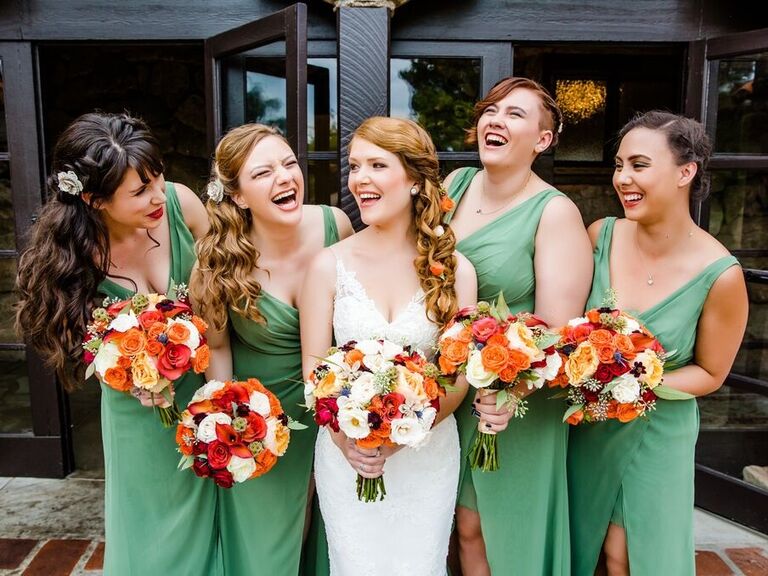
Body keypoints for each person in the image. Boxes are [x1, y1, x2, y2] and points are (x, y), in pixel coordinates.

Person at [15, 112, 221, 575]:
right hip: (137, 409)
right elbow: (81, 342)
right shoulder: (74, 255)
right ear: (93, 199)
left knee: (219, 516)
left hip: (206, 387)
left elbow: (223, 287)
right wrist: (129, 374)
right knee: (152, 530)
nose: (157, 196)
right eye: (139, 191)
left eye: (157, 176)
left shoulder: (182, 205)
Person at [568, 111, 748, 576]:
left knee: (627, 551)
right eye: (619, 165)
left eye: (639, 165)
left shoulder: (721, 274)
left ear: (686, 172)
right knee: (586, 540)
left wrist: (634, 379)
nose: (623, 178)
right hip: (588, 426)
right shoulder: (600, 236)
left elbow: (711, 373)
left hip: (657, 429)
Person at [299, 116, 477, 575]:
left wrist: (403, 435)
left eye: (377, 165)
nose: (360, 179)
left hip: (427, 456)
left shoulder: (457, 270)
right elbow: (313, 378)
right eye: (355, 166)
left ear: (416, 180)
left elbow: (457, 380)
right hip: (347, 455)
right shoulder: (327, 266)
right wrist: (347, 441)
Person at [442, 76, 593, 575]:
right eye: (491, 110)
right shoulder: (454, 186)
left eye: (515, 114)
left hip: (510, 396)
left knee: (491, 527)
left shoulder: (555, 213)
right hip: (448, 385)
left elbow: (554, 334)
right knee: (457, 526)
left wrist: (509, 390)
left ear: (543, 140)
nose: (496, 121)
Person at [189, 123, 352, 575]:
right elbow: (217, 349)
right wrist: (229, 423)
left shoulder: (334, 224)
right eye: (263, 173)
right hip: (262, 417)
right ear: (238, 195)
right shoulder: (217, 260)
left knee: (331, 531)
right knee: (271, 545)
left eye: (289, 164)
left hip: (337, 408)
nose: (285, 177)